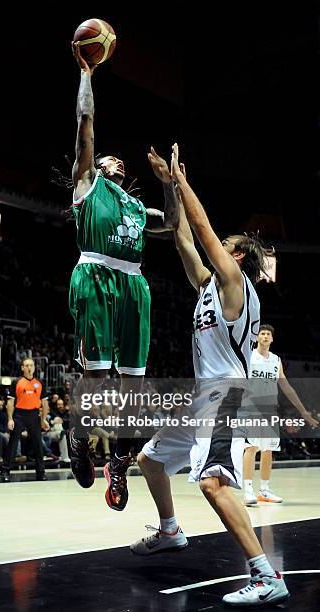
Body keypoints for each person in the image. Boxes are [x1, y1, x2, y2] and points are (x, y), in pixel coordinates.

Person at [131, 144, 291, 607]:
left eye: (228, 245)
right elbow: (183, 236)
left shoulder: (236, 285)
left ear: (236, 257)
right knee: (151, 461)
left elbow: (201, 230)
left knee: (212, 483)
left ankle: (266, 576)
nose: (220, 246)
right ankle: (169, 530)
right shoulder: (207, 286)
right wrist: (166, 185)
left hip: (226, 395)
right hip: (204, 396)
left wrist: (182, 179)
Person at [68, 42, 179, 510]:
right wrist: (88, 76)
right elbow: (86, 131)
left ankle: (118, 461)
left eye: (118, 163)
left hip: (134, 285)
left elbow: (173, 222)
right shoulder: (88, 185)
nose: (110, 163)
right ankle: (79, 432)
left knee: (132, 386)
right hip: (96, 276)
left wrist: (172, 182)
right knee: (97, 378)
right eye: (104, 160)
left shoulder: (136, 206)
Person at [244, 324, 318, 505]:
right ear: (256, 338)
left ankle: (264, 490)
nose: (266, 336)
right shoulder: (248, 356)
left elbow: (286, 387)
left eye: (269, 334)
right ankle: (247, 491)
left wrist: (304, 412)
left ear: (272, 339)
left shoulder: (275, 360)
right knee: (251, 448)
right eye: (262, 333)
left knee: (268, 450)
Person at [0, 358, 48, 482]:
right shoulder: (17, 382)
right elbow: (10, 402)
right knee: (13, 443)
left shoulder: (40, 382)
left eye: (31, 365)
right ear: (22, 368)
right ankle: (5, 471)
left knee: (38, 444)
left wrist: (44, 420)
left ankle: (41, 473)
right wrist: (10, 419)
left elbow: (45, 403)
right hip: (19, 415)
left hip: (34, 415)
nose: (29, 367)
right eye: (26, 365)